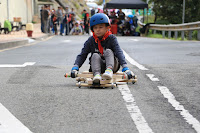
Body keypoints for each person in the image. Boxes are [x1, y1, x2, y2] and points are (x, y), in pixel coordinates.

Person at [70, 13, 134, 83]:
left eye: (100, 27)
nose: (98, 30)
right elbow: (83, 54)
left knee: (108, 51)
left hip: (112, 66)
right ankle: (97, 75)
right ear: (92, 29)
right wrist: (76, 67)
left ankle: (109, 71)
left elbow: (119, 52)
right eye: (95, 28)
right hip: (97, 66)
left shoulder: (111, 38)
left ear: (107, 28)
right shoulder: (91, 40)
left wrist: (125, 67)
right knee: (95, 55)